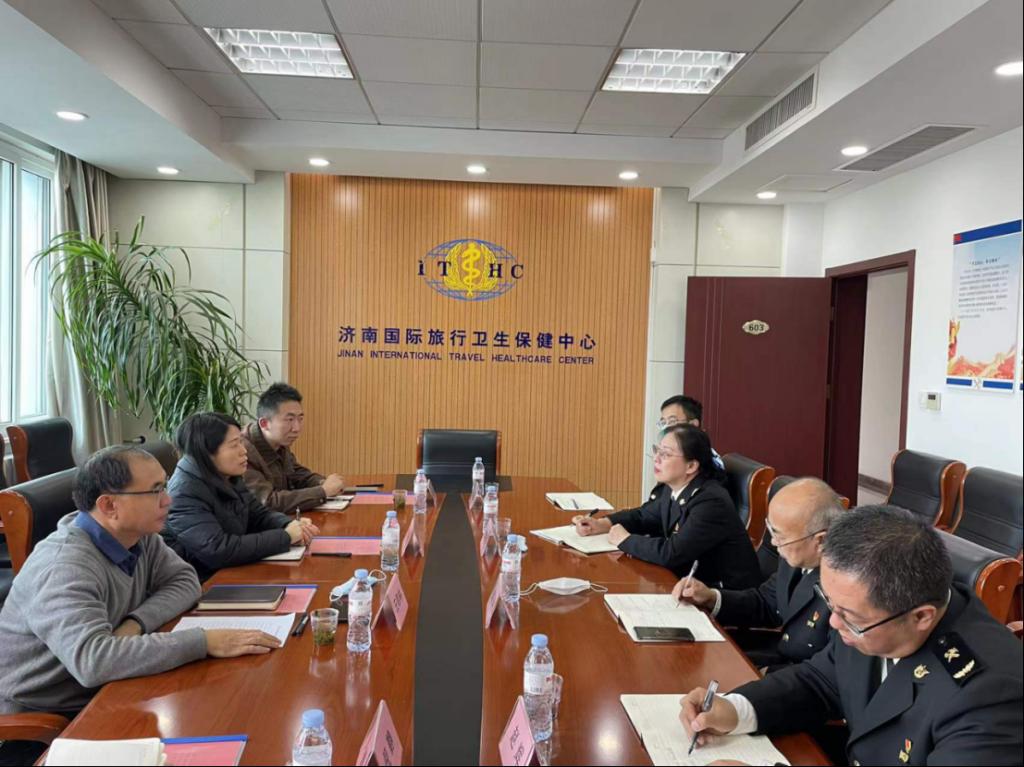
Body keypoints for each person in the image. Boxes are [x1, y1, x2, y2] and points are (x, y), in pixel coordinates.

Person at [679, 505, 1024, 766]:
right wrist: (735, 709)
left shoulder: (989, 696)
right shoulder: (873, 617)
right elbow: (818, 681)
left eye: (849, 616)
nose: (833, 622)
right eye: (830, 603)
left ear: (921, 617)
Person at [0, 446, 283, 719]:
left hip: (111, 685)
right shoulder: (63, 566)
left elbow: (185, 581)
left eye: (165, 486)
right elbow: (93, 661)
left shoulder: (137, 535)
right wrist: (204, 642)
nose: (167, 500)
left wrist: (135, 623)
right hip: (49, 711)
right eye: (155, 490)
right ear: (109, 505)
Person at [673, 477, 844, 670]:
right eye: (772, 530)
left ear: (820, 541)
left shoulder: (844, 586)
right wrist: (711, 598)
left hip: (799, 675)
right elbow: (766, 602)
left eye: (780, 536)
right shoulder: (799, 552)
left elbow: (828, 671)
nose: (773, 542)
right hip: (778, 661)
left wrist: (763, 675)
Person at [573, 424, 761, 587]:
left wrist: (626, 540)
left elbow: (672, 553)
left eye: (666, 454)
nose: (656, 458)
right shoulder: (674, 488)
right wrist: (602, 524)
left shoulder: (711, 501)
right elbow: (643, 516)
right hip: (688, 583)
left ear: (691, 466)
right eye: (657, 450)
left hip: (724, 596)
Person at [162, 412, 319, 581]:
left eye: (241, 442)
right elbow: (218, 550)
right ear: (206, 451)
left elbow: (258, 514)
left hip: (233, 571)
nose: (244, 451)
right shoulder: (184, 492)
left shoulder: (226, 475)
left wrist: (289, 524)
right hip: (203, 583)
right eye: (234, 445)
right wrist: (286, 537)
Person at [241, 383, 344, 513]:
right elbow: (267, 502)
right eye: (289, 420)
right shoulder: (242, 452)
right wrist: (322, 491)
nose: (297, 428)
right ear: (264, 423)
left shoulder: (279, 442)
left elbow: (297, 474)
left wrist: (322, 482)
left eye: (300, 419)